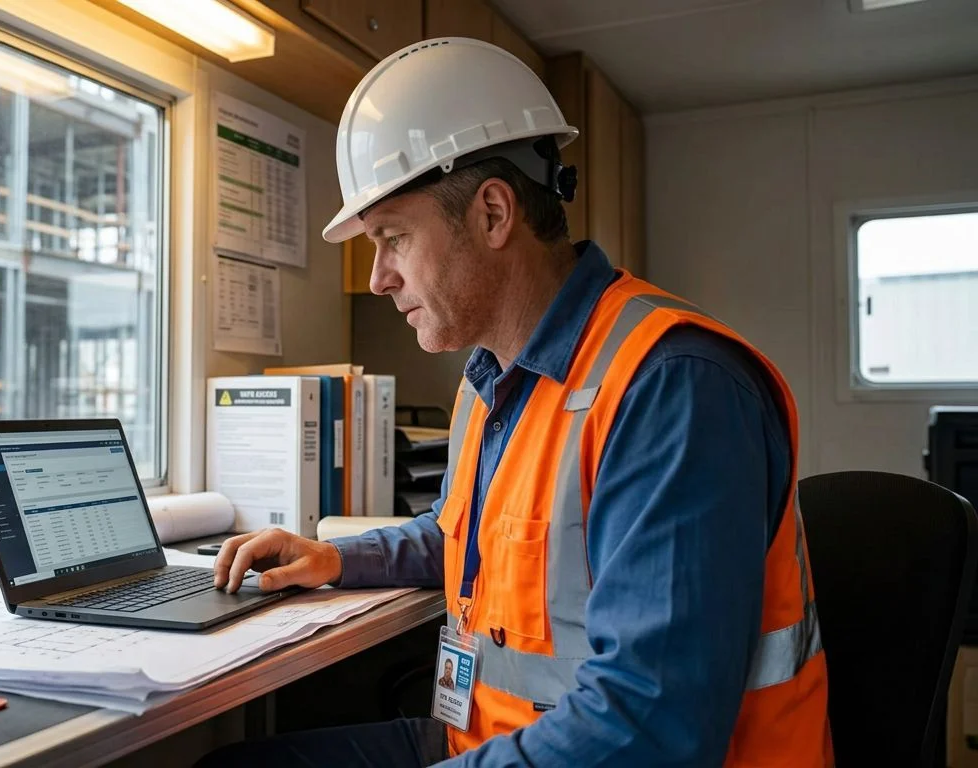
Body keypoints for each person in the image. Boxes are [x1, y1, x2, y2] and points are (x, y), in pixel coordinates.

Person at [199, 36, 831, 767]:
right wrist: (334, 559)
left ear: (494, 215)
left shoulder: (671, 386)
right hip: (485, 739)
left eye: (394, 239)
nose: (378, 278)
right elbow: (464, 538)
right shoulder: (492, 378)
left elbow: (652, 726)